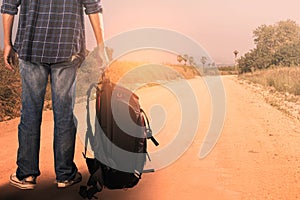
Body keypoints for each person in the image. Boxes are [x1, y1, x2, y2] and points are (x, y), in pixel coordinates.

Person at [1, 0, 108, 190]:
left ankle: (26, 175)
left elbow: (9, 5)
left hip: (31, 47)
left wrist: (7, 43)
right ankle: (65, 175)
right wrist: (100, 48)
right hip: (67, 49)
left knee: (30, 114)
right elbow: (93, 7)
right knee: (65, 113)